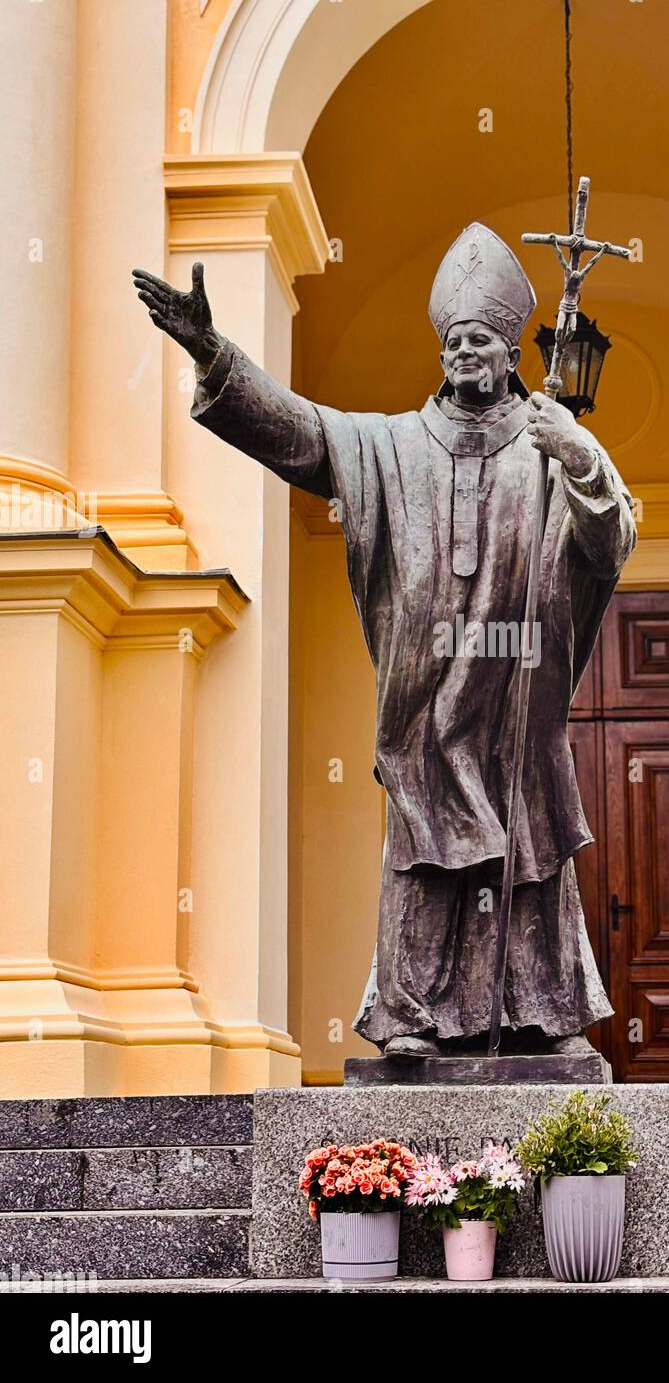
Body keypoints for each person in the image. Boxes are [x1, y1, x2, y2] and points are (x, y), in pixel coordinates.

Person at [132, 222, 636, 1058]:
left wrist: (580, 459)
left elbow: (610, 539)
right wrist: (212, 351)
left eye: (481, 340)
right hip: (425, 699)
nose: (465, 353)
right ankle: (412, 1021)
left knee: (530, 848)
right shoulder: (390, 444)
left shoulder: (549, 444)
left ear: (511, 352)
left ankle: (542, 1018)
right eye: (453, 342)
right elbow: (300, 434)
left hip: (518, 693)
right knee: (423, 846)